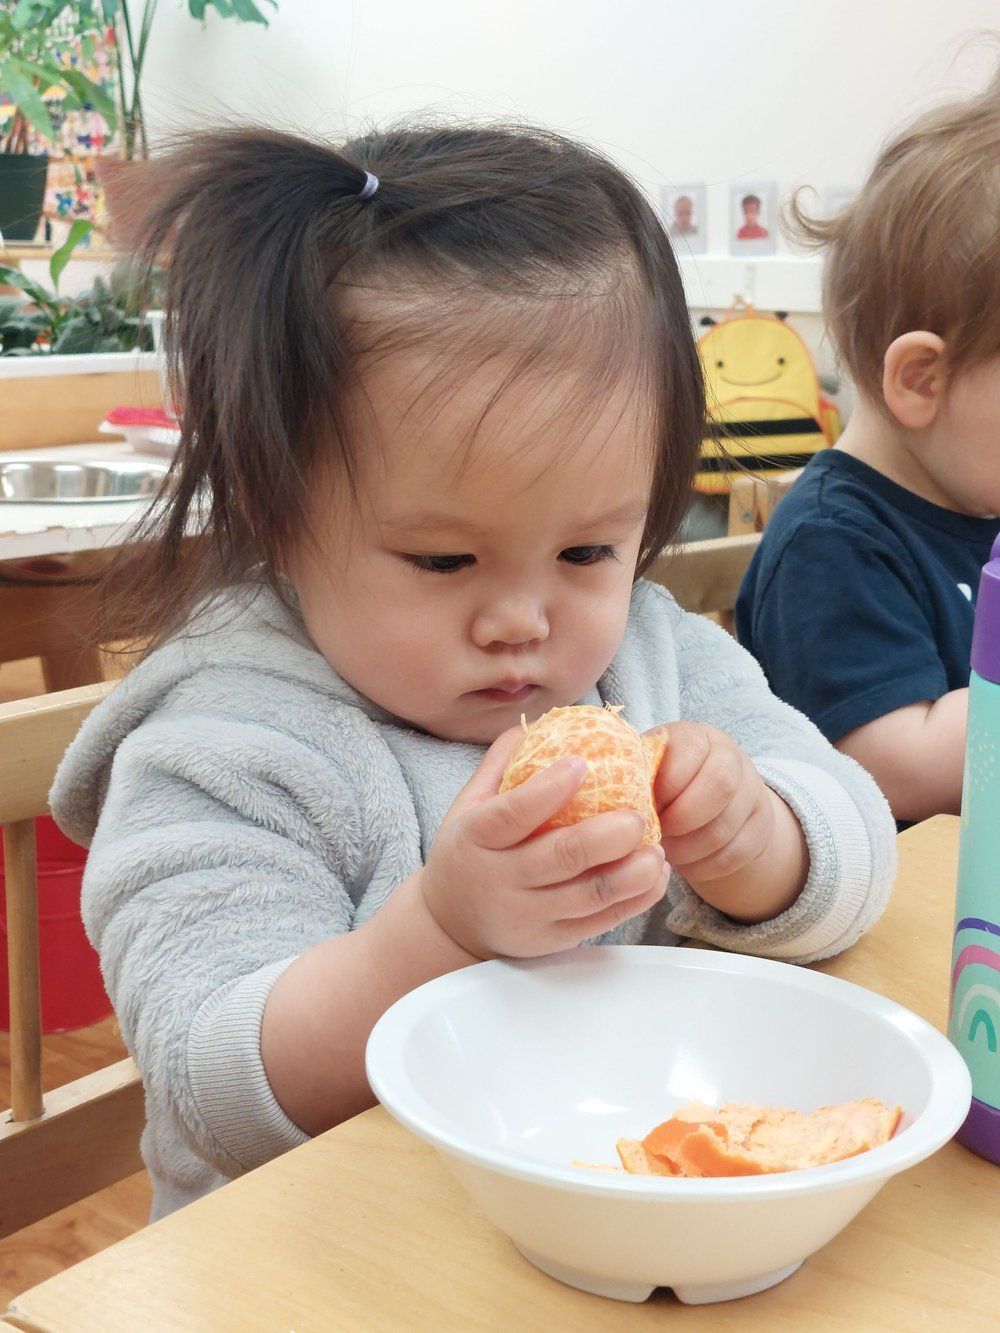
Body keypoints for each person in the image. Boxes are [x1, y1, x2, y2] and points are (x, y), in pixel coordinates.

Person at [50, 124, 895, 1221]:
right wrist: (440, 931)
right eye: (445, 560)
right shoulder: (226, 743)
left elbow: (862, 839)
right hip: (326, 1262)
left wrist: (764, 844)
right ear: (276, 513)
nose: (520, 621)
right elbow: (213, 1078)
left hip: (601, 1204)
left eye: (587, 551)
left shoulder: (655, 658)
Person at [736, 71, 1000, 826]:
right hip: (883, 923)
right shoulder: (832, 543)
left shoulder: (975, 489)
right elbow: (896, 770)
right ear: (922, 379)